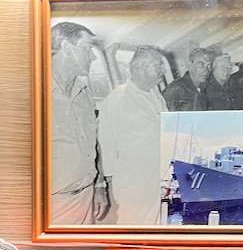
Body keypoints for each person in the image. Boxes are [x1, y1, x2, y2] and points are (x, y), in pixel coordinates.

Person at [97, 45, 169, 225]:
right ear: (140, 68)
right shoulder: (118, 99)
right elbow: (106, 145)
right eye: (158, 65)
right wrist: (110, 186)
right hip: (135, 183)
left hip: (157, 179)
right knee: (133, 235)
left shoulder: (154, 93)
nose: (163, 69)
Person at [49, 22, 106, 224]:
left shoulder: (84, 94)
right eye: (88, 47)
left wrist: (99, 186)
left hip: (86, 198)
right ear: (66, 46)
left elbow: (93, 144)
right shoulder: (35, 95)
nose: (92, 56)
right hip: (53, 205)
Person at [162, 48, 213, 112]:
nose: (206, 70)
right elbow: (165, 117)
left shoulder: (205, 90)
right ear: (190, 64)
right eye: (201, 64)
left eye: (209, 66)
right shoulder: (176, 88)